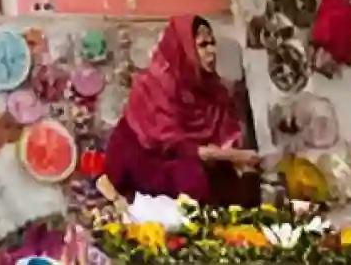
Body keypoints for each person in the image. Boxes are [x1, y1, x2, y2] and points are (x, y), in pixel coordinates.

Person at [105, 16, 257, 202]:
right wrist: (236, 156)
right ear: (183, 48)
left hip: (195, 161)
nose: (212, 51)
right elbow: (179, 147)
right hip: (150, 162)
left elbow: (224, 137)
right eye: (202, 45)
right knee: (191, 176)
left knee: (236, 181)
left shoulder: (211, 88)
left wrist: (240, 160)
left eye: (212, 43)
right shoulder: (157, 87)